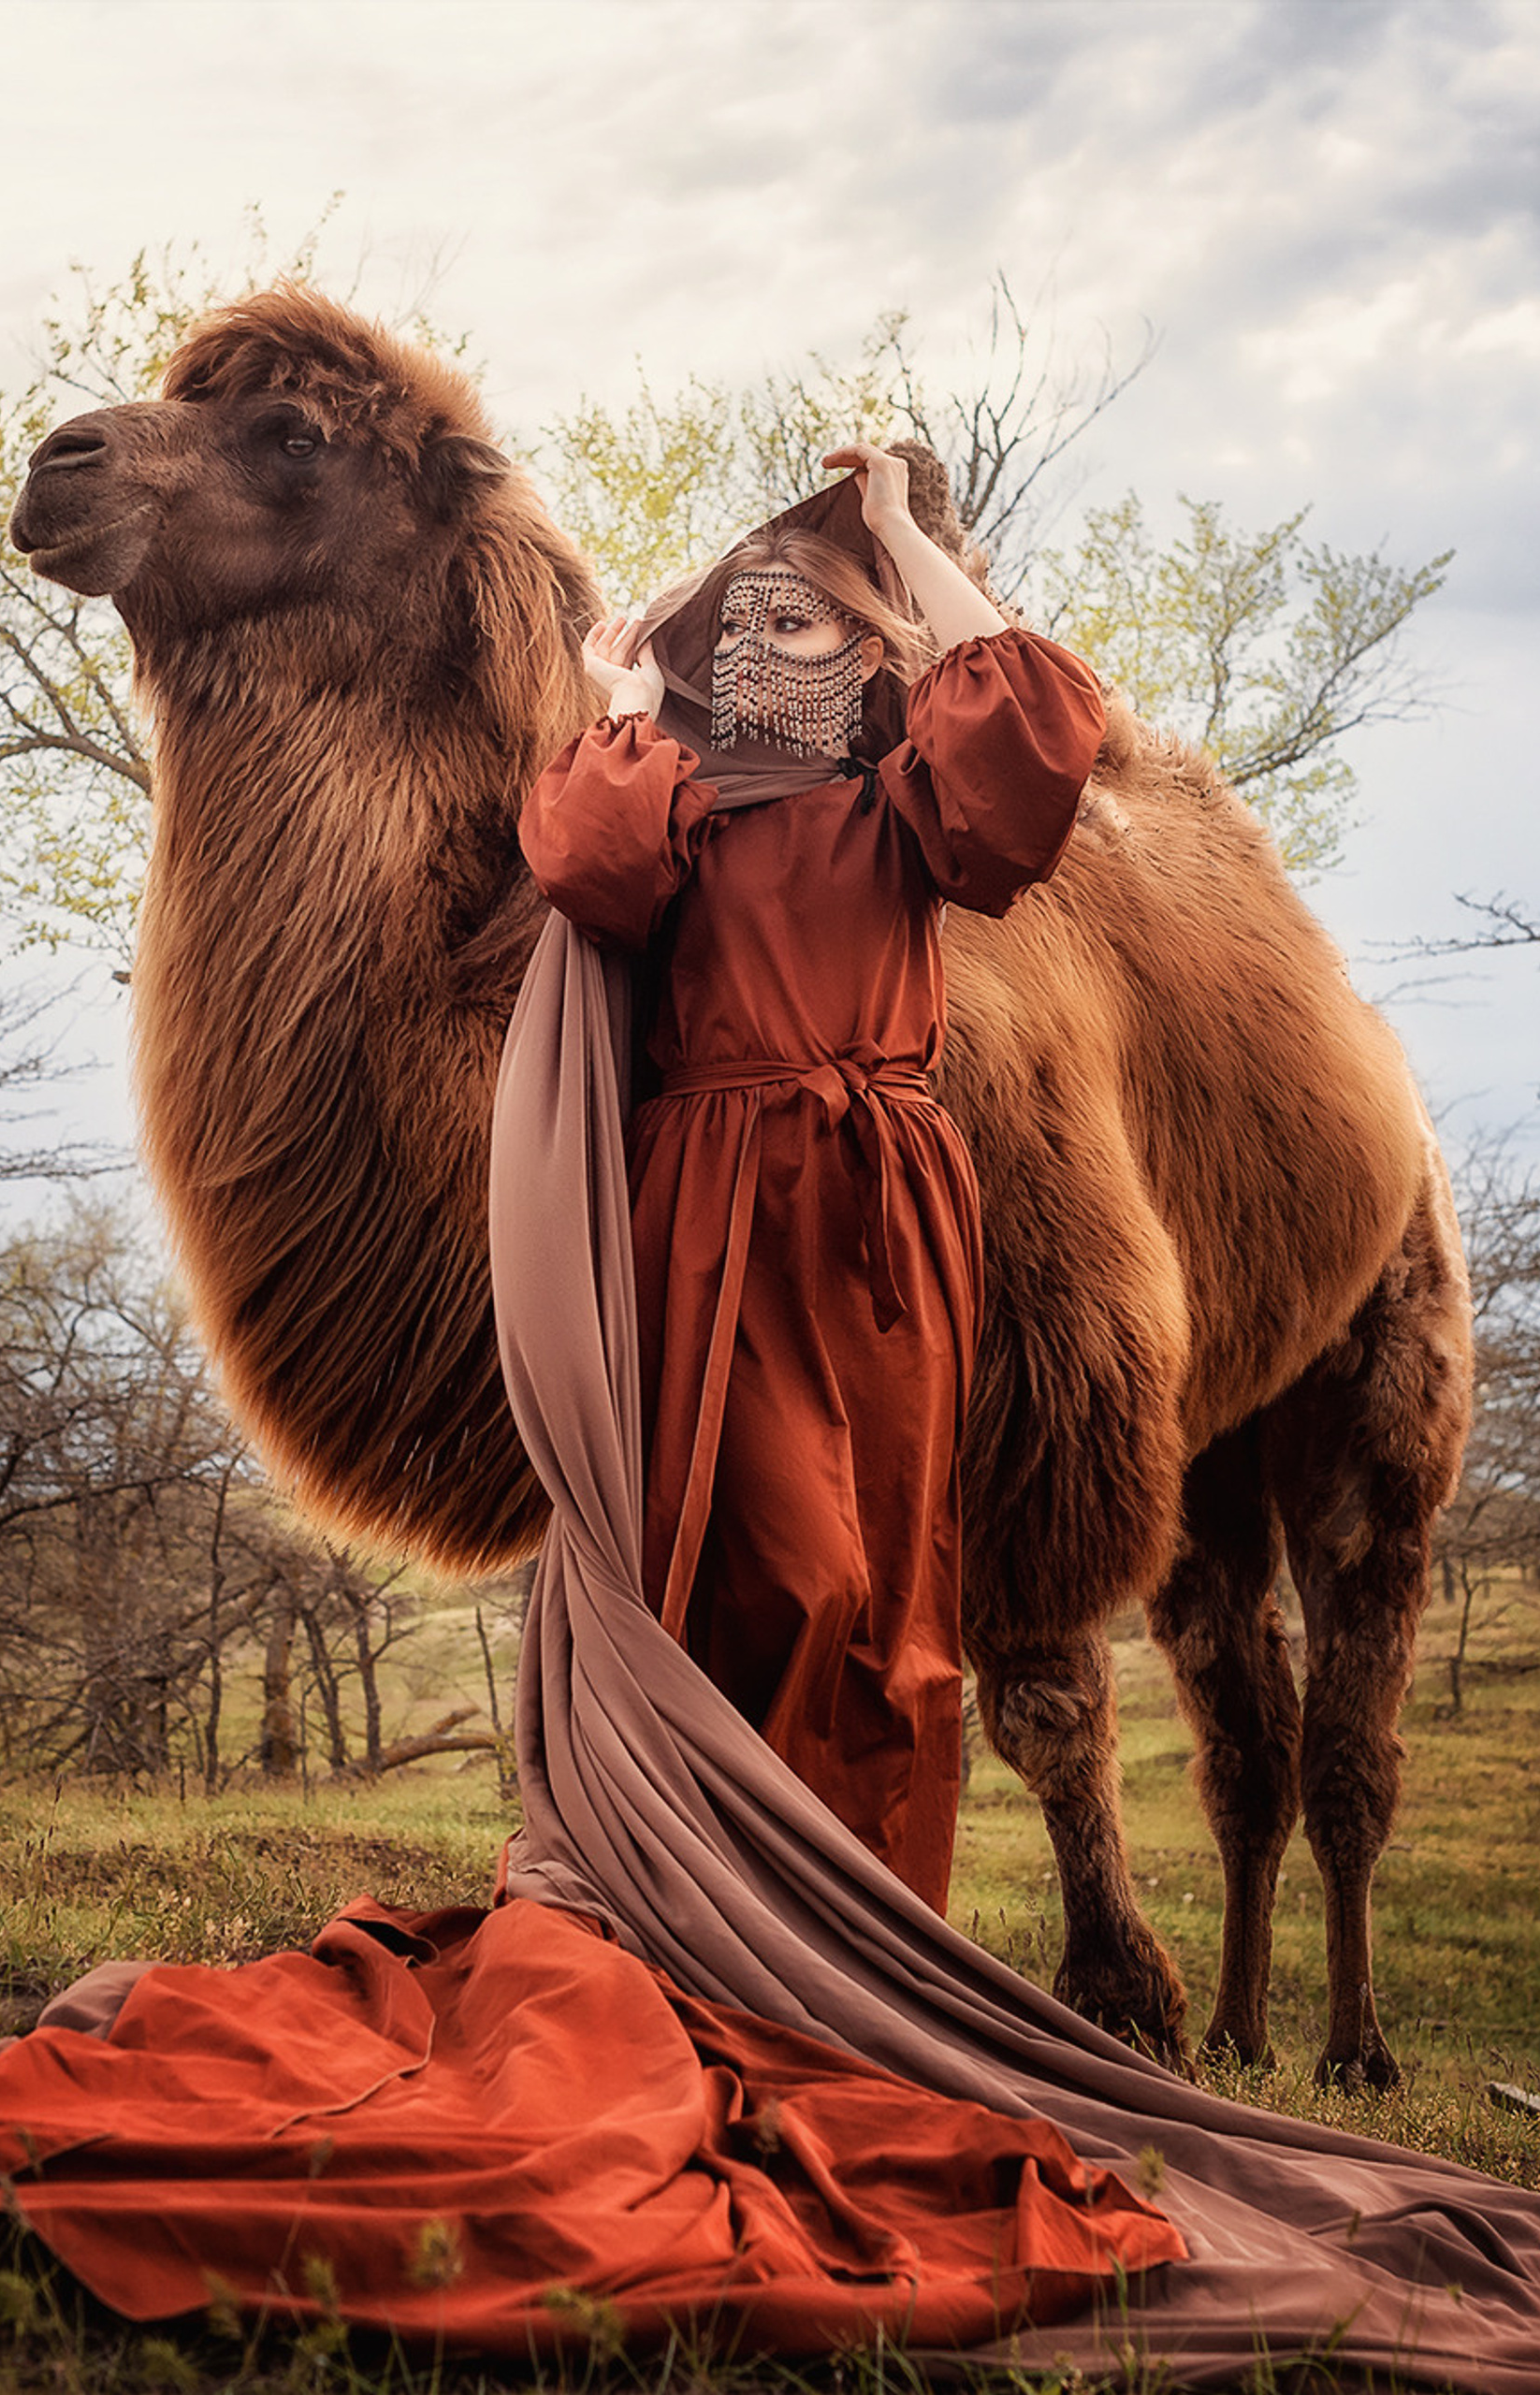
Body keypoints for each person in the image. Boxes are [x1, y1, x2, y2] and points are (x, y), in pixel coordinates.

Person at [518, 443, 1109, 1914]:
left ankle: (866, 1923)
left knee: (895, 1596)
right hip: (716, 1214)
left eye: (804, 621)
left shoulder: (907, 808)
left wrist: (900, 531)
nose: (762, 650)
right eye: (745, 627)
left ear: (866, 652)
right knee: (788, 1570)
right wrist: (626, 705)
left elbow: (1032, 732)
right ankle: (723, 1902)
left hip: (887, 1213)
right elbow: (585, 867)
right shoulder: (680, 808)